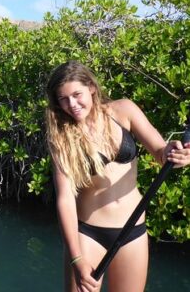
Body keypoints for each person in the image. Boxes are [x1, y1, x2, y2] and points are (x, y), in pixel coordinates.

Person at [45, 61, 190, 292]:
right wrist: (77, 260)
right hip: (88, 235)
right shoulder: (61, 138)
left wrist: (177, 153)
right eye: (63, 99)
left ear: (91, 88)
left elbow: (162, 153)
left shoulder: (124, 110)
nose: (72, 104)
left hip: (132, 232)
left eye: (77, 94)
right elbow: (65, 199)